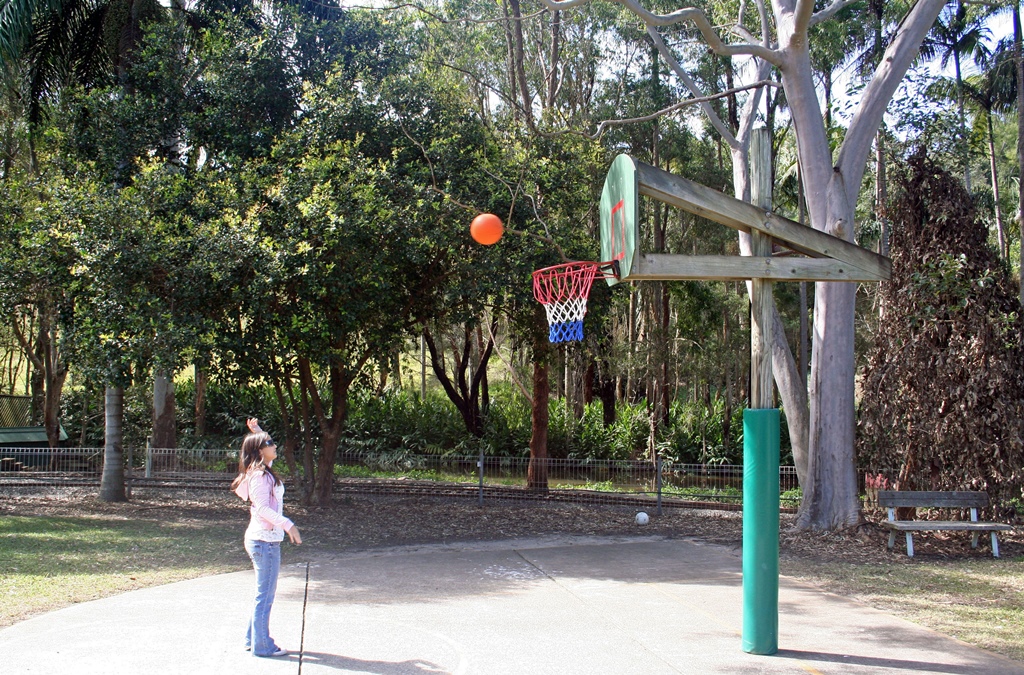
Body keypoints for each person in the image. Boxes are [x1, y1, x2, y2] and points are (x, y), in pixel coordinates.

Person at [231, 418, 301, 658]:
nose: (275, 446)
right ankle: (263, 645)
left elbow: (259, 443)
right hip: (264, 541)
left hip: (264, 539)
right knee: (265, 596)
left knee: (263, 594)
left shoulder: (261, 471)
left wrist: (259, 432)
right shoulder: (260, 475)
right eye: (270, 443)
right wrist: (288, 524)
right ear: (260, 450)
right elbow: (261, 508)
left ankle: (253, 640)